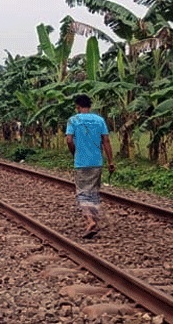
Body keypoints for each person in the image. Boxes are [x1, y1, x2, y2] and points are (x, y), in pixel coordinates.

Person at [66, 94, 116, 239]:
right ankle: (94, 219)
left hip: (81, 162)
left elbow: (69, 140)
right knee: (93, 192)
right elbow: (106, 141)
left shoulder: (73, 120)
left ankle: (90, 221)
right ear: (90, 106)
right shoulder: (99, 120)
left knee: (82, 192)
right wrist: (110, 161)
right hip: (97, 162)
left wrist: (74, 152)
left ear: (77, 106)